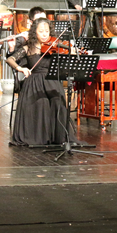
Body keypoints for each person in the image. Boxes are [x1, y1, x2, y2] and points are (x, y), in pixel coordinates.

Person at [6, 18, 75, 146]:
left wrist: (74, 52)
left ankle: (57, 137)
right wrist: (21, 68)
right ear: (35, 33)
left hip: (52, 81)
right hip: (34, 84)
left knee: (57, 102)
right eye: (41, 31)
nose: (44, 34)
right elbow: (10, 59)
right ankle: (38, 137)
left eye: (47, 31)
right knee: (39, 105)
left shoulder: (55, 45)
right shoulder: (28, 48)